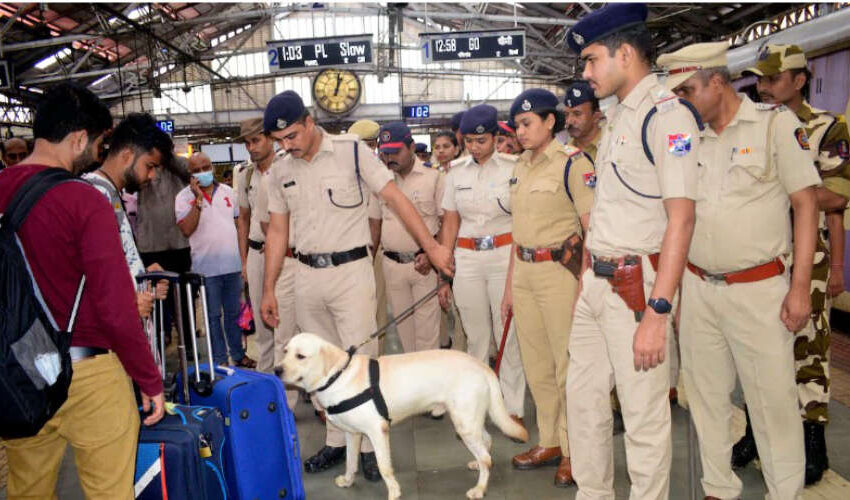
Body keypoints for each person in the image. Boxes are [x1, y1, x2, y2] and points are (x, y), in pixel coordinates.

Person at [258, 90, 454, 480]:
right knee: (318, 367)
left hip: (352, 274)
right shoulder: (281, 171)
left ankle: (368, 444)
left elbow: (394, 198)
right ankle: (335, 441)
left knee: (360, 361)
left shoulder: (350, 151)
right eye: (280, 141)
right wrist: (268, 287)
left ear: (310, 122)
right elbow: (278, 231)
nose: (287, 145)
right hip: (307, 276)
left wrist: (432, 247)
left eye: (292, 136)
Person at [660, 41, 821, 500]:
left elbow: (806, 204)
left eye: (688, 89)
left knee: (772, 405)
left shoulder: (773, 126)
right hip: (699, 288)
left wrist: (800, 289)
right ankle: (718, 489)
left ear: (717, 82)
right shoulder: (685, 137)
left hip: (759, 289)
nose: (683, 100)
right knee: (706, 401)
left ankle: (783, 492)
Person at [0, 82, 164, 498]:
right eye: (96, 144)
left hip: (18, 372)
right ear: (77, 139)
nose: (95, 155)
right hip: (87, 372)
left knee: (27, 490)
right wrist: (148, 378)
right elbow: (114, 306)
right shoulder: (83, 200)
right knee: (109, 490)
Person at [564, 4, 702, 498]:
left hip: (637, 289)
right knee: (582, 404)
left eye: (591, 60)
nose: (585, 73)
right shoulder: (620, 115)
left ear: (625, 53)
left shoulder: (668, 117)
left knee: (643, 418)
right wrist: (586, 278)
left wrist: (658, 311)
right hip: (597, 286)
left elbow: (681, 218)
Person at [734, 44, 850, 485]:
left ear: (800, 80)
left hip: (807, 259)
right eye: (759, 80)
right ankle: (752, 433)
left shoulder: (826, 127)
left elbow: (837, 197)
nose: (763, 88)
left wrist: (778, 193)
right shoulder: (749, 126)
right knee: (755, 347)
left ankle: (812, 438)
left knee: (808, 348)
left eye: (773, 79)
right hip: (758, 254)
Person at [498, 88, 593, 488]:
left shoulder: (573, 163)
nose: (520, 132)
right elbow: (517, 233)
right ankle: (550, 440)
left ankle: (576, 452)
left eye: (526, 123)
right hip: (524, 272)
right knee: (537, 366)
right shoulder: (520, 165)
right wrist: (508, 288)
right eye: (517, 125)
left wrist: (584, 286)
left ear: (550, 122)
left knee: (567, 366)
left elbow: (592, 229)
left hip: (560, 274)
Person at [440, 104, 527, 423]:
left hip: (504, 256)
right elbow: (450, 220)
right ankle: (476, 405)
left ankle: (512, 406)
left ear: (495, 136)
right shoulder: (455, 172)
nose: (475, 148)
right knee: (476, 337)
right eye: (470, 142)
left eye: (482, 141)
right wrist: (444, 264)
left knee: (508, 332)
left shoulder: (514, 167)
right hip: (467, 258)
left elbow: (522, 219)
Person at [82, 113, 173, 319]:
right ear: (127, 155)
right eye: (149, 166)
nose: (152, 176)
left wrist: (141, 276)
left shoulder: (110, 194)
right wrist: (129, 302)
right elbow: (95, 277)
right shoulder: (95, 196)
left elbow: (112, 264)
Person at [369, 122, 444, 354]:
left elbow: (445, 223)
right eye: (385, 152)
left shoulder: (433, 178)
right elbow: (375, 226)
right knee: (405, 336)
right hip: (391, 265)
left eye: (395, 152)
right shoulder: (380, 182)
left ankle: (429, 389)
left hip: (424, 266)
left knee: (427, 337)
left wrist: (433, 257)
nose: (389, 158)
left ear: (411, 147)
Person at [176, 152, 256, 368]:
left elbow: (240, 227)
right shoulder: (183, 197)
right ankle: (219, 361)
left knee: (233, 314)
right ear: (190, 175)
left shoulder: (229, 192)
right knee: (212, 317)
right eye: (197, 170)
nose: (203, 173)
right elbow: (186, 229)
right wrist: (198, 201)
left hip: (232, 266)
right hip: (205, 269)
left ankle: (238, 355)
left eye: (206, 167)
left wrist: (244, 261)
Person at [235, 117, 294, 378]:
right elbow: (243, 220)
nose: (251, 148)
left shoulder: (288, 169)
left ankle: (297, 376)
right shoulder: (244, 175)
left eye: (256, 140)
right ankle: (267, 380)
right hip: (258, 254)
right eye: (247, 143)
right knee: (262, 321)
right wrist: (244, 261)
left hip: (288, 256)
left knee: (291, 320)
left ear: (270, 138)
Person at [137, 155, 192, 345]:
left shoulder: (177, 165)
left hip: (179, 244)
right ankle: (160, 339)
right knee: (155, 298)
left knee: (185, 298)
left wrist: (167, 156)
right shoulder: (142, 165)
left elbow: (190, 171)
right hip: (151, 246)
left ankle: (187, 340)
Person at [564, 80, 604, 162]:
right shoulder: (563, 152)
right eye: (566, 114)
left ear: (596, 115)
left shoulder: (610, 148)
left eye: (577, 114)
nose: (569, 121)